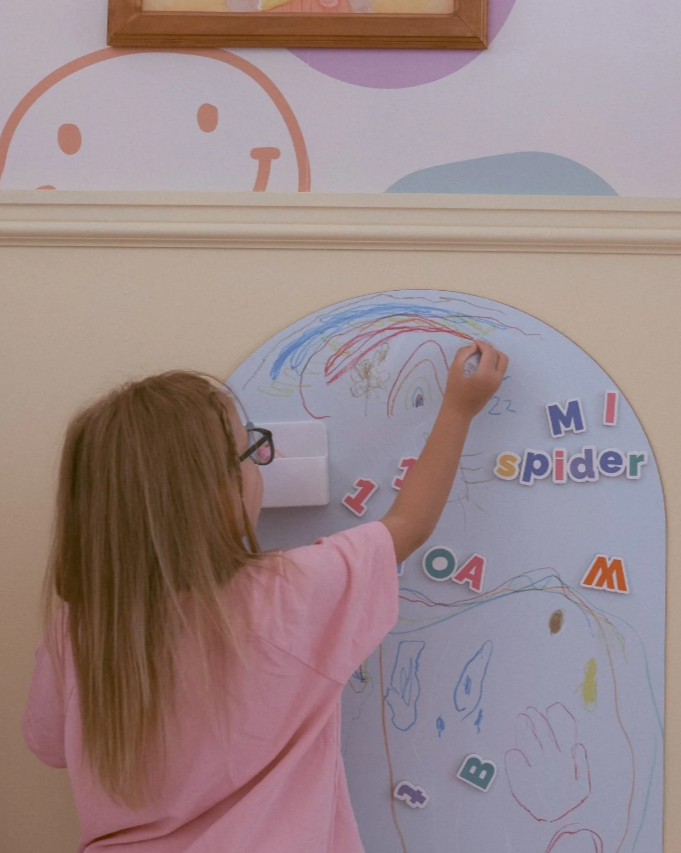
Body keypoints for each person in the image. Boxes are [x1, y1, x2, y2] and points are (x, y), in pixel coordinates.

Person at [23, 340, 507, 853]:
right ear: (217, 490)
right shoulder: (288, 592)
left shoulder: (76, 629)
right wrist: (459, 409)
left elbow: (50, 744)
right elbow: (407, 526)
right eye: (251, 451)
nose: (259, 466)